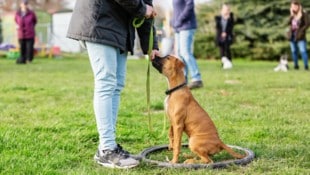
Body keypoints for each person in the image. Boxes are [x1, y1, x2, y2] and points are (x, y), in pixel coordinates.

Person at [67, 0, 159, 169]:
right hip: (100, 20)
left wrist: (151, 44)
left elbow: (147, 6)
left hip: (118, 26)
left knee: (116, 85)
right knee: (106, 83)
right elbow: (144, 7)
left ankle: (109, 146)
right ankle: (107, 150)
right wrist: (142, 9)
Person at [172, 0, 203, 89]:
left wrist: (179, 20)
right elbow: (177, 10)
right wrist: (173, 21)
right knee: (179, 54)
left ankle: (197, 78)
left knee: (185, 52)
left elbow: (189, 6)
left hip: (187, 26)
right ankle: (183, 80)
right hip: (178, 27)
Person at [287, 0, 309, 70]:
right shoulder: (292, 14)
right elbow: (288, 23)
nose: (294, 7)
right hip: (292, 35)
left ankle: (306, 66)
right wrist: (291, 15)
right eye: (292, 6)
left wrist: (302, 30)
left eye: (295, 6)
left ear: (298, 6)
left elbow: (308, 23)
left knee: (303, 51)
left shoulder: (303, 13)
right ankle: (296, 66)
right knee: (294, 51)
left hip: (300, 36)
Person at [15, 0, 37, 64]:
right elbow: (16, 21)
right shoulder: (17, 13)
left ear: (27, 5)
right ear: (21, 5)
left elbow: (35, 21)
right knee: (22, 48)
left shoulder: (31, 13)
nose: (25, 5)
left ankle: (29, 60)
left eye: (26, 4)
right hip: (21, 34)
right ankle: (22, 59)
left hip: (30, 34)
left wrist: (31, 27)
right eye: (23, 4)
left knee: (29, 48)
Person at [215, 3, 234, 69]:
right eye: (224, 9)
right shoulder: (218, 18)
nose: (226, 10)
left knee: (227, 49)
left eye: (227, 9)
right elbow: (218, 27)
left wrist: (226, 32)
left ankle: (229, 62)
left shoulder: (231, 17)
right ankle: (223, 63)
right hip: (220, 36)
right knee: (221, 49)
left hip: (228, 36)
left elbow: (231, 27)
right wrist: (222, 33)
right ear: (222, 10)